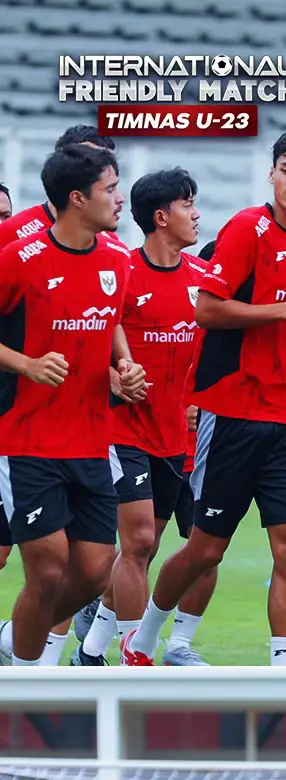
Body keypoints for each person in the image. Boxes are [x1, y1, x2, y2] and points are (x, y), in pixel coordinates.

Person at [122, 129, 286, 666]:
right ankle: (142, 638)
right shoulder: (246, 228)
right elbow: (209, 311)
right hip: (233, 412)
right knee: (205, 548)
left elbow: (276, 315)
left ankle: (284, 670)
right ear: (272, 174)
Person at [0, 143, 146, 665]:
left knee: (92, 569)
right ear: (77, 198)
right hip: (27, 439)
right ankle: (26, 680)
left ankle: (15, 637)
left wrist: (123, 368)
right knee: (47, 567)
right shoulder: (19, 258)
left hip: (90, 441)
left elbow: (110, 324)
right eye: (110, 188)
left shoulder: (116, 261)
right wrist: (27, 365)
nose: (119, 197)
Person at [73, 167, 204, 665]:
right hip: (121, 431)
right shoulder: (121, 273)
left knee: (141, 553)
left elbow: (209, 352)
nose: (196, 214)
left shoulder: (199, 282)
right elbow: (87, 341)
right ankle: (136, 658)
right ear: (160, 216)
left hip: (175, 436)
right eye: (187, 205)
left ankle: (89, 651)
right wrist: (114, 379)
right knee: (141, 540)